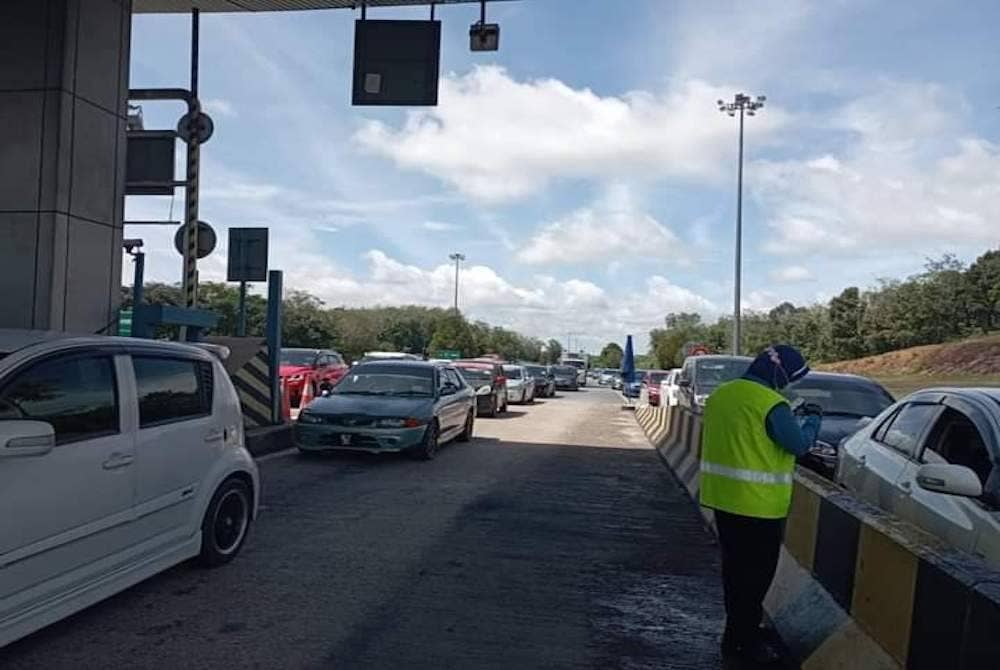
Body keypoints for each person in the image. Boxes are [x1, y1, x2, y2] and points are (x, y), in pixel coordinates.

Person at [699, 345, 821, 665]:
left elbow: (746, 438)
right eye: (790, 378)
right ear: (778, 372)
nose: (789, 385)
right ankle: (743, 644)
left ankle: (737, 633)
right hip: (760, 506)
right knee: (755, 579)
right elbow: (798, 446)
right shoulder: (772, 404)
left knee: (735, 574)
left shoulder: (723, 394)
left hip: (724, 501)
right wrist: (812, 421)